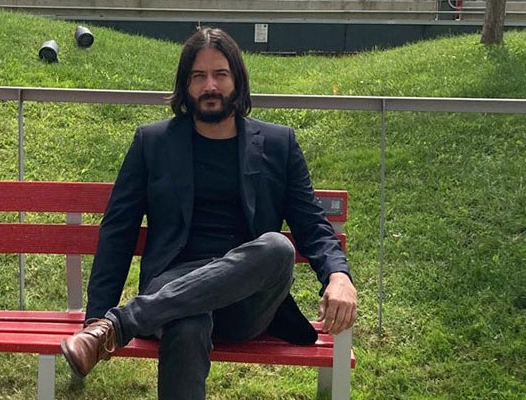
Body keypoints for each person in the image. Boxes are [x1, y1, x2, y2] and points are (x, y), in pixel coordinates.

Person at [59, 27, 358, 399]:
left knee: (276, 248)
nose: (209, 85)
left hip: (246, 303)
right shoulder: (152, 144)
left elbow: (312, 224)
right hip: (172, 288)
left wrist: (339, 275)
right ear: (185, 86)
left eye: (220, 74)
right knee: (185, 322)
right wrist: (94, 315)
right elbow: (118, 231)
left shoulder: (279, 144)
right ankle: (114, 325)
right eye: (198, 76)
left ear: (237, 80)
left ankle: (122, 324)